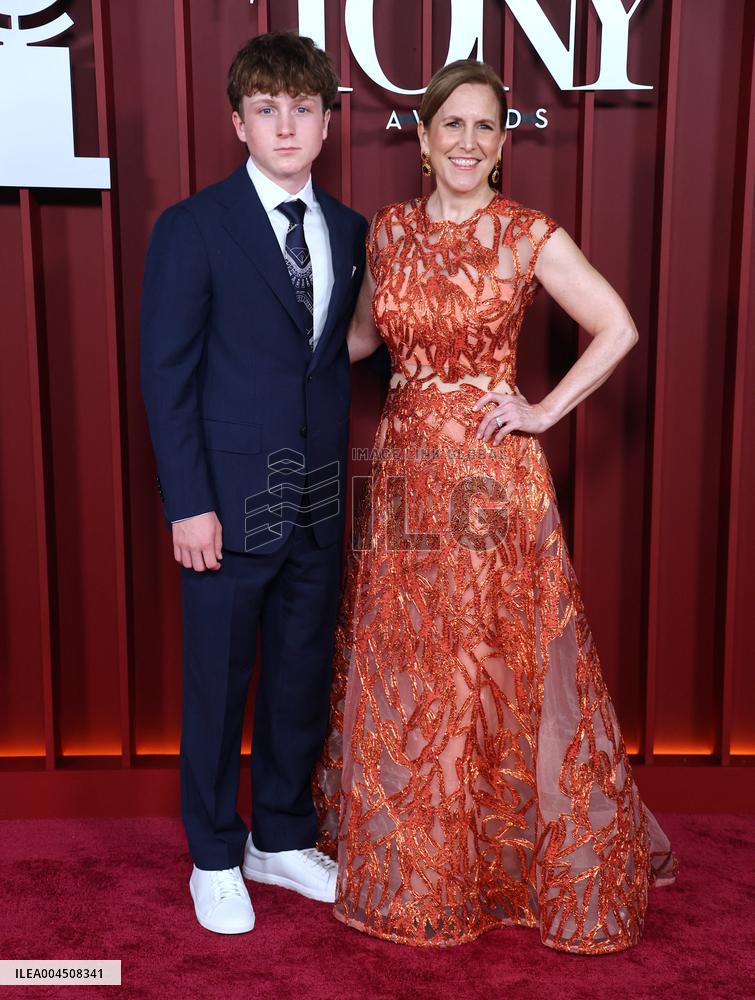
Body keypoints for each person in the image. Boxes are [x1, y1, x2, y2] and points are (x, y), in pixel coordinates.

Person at [314, 59, 678, 954]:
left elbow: (618, 325)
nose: (468, 142)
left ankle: (499, 860)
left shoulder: (525, 233)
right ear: (425, 141)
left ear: (502, 144)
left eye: (485, 128)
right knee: (412, 664)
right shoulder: (389, 233)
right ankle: (419, 858)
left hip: (488, 478)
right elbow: (360, 337)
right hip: (403, 474)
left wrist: (542, 410)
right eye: (452, 126)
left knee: (492, 665)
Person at [140, 31, 367, 935]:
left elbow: (330, 355)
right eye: (267, 109)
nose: (286, 125)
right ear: (239, 122)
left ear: (325, 123)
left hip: (314, 501)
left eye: (302, 109)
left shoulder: (349, 231)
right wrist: (188, 502)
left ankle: (280, 837)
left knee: (298, 683)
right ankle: (213, 855)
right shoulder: (194, 227)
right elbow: (168, 374)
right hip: (225, 509)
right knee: (218, 684)